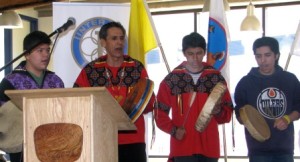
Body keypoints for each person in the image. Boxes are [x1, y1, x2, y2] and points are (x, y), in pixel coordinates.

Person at [73, 21, 155, 162]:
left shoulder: (136, 68)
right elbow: (77, 101)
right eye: (114, 38)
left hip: (133, 141)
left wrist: (139, 103)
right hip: (101, 139)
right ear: (103, 42)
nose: (119, 42)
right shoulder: (91, 70)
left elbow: (150, 102)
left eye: (122, 38)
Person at [154, 32, 233, 162]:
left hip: (209, 147)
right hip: (183, 145)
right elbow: (159, 112)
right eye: (190, 54)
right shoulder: (172, 79)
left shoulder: (215, 78)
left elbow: (228, 113)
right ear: (184, 53)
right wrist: (173, 130)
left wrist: (219, 111)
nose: (195, 58)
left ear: (204, 52)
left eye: (199, 53)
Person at [0, 30, 65, 162]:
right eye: (40, 50)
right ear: (26, 54)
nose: (46, 55)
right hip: (21, 147)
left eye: (47, 50)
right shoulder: (10, 81)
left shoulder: (56, 81)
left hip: (52, 144)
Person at [234, 36, 300, 162]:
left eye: (267, 55)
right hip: (258, 150)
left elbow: (298, 107)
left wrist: (287, 119)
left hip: (284, 149)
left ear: (276, 56)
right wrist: (247, 120)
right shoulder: (245, 83)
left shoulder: (290, 80)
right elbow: (239, 113)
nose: (263, 60)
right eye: (258, 56)